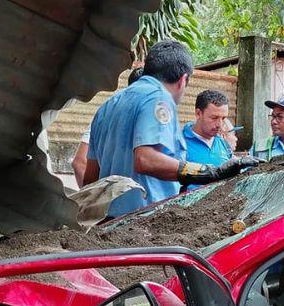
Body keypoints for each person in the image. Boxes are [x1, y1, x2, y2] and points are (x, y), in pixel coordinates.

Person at [85, 41, 246, 218]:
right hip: (142, 221)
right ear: (183, 80)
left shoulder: (106, 107)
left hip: (106, 223)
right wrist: (209, 172)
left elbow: (90, 178)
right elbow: (145, 159)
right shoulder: (159, 97)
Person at [73, 66, 143, 185]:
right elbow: (79, 163)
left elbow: (79, 163)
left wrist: (91, 200)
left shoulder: (104, 114)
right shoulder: (105, 116)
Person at [182, 89, 233, 167]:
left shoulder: (223, 144)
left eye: (223, 118)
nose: (219, 124)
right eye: (214, 118)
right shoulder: (179, 143)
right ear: (198, 113)